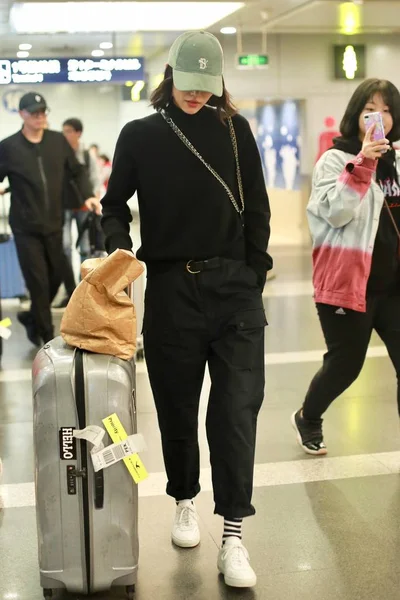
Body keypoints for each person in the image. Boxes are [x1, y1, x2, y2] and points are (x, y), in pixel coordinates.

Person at [101, 30, 272, 588]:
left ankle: (234, 536)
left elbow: (259, 211)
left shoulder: (236, 130)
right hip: (172, 289)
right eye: (186, 85)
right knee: (177, 406)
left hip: (234, 292)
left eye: (206, 88)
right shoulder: (140, 135)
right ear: (169, 76)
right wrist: (119, 255)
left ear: (218, 84)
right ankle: (183, 498)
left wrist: (253, 273)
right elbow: (113, 207)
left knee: (236, 411)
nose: (196, 97)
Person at [292, 78, 400, 455]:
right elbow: (336, 213)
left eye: (387, 109)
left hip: (394, 287)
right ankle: (308, 416)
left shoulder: (398, 159)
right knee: (346, 364)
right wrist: (365, 161)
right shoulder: (335, 160)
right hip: (350, 282)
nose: (380, 116)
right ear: (357, 113)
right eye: (372, 108)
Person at [0, 92, 98, 345]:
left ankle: (32, 318)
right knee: (39, 284)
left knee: (58, 278)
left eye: (43, 112)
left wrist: (87, 195)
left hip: (55, 224)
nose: (40, 116)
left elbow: (77, 171)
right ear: (22, 115)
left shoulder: (57, 142)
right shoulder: (8, 147)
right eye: (34, 113)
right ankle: (46, 337)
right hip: (25, 229)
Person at [54, 118, 102, 309]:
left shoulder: (87, 155)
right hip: (63, 206)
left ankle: (84, 288)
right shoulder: (58, 153)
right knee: (64, 246)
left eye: (68, 131)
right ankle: (69, 288)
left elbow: (95, 180)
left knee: (85, 248)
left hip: (83, 207)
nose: (65, 134)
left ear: (78, 133)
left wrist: (95, 201)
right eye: (63, 130)